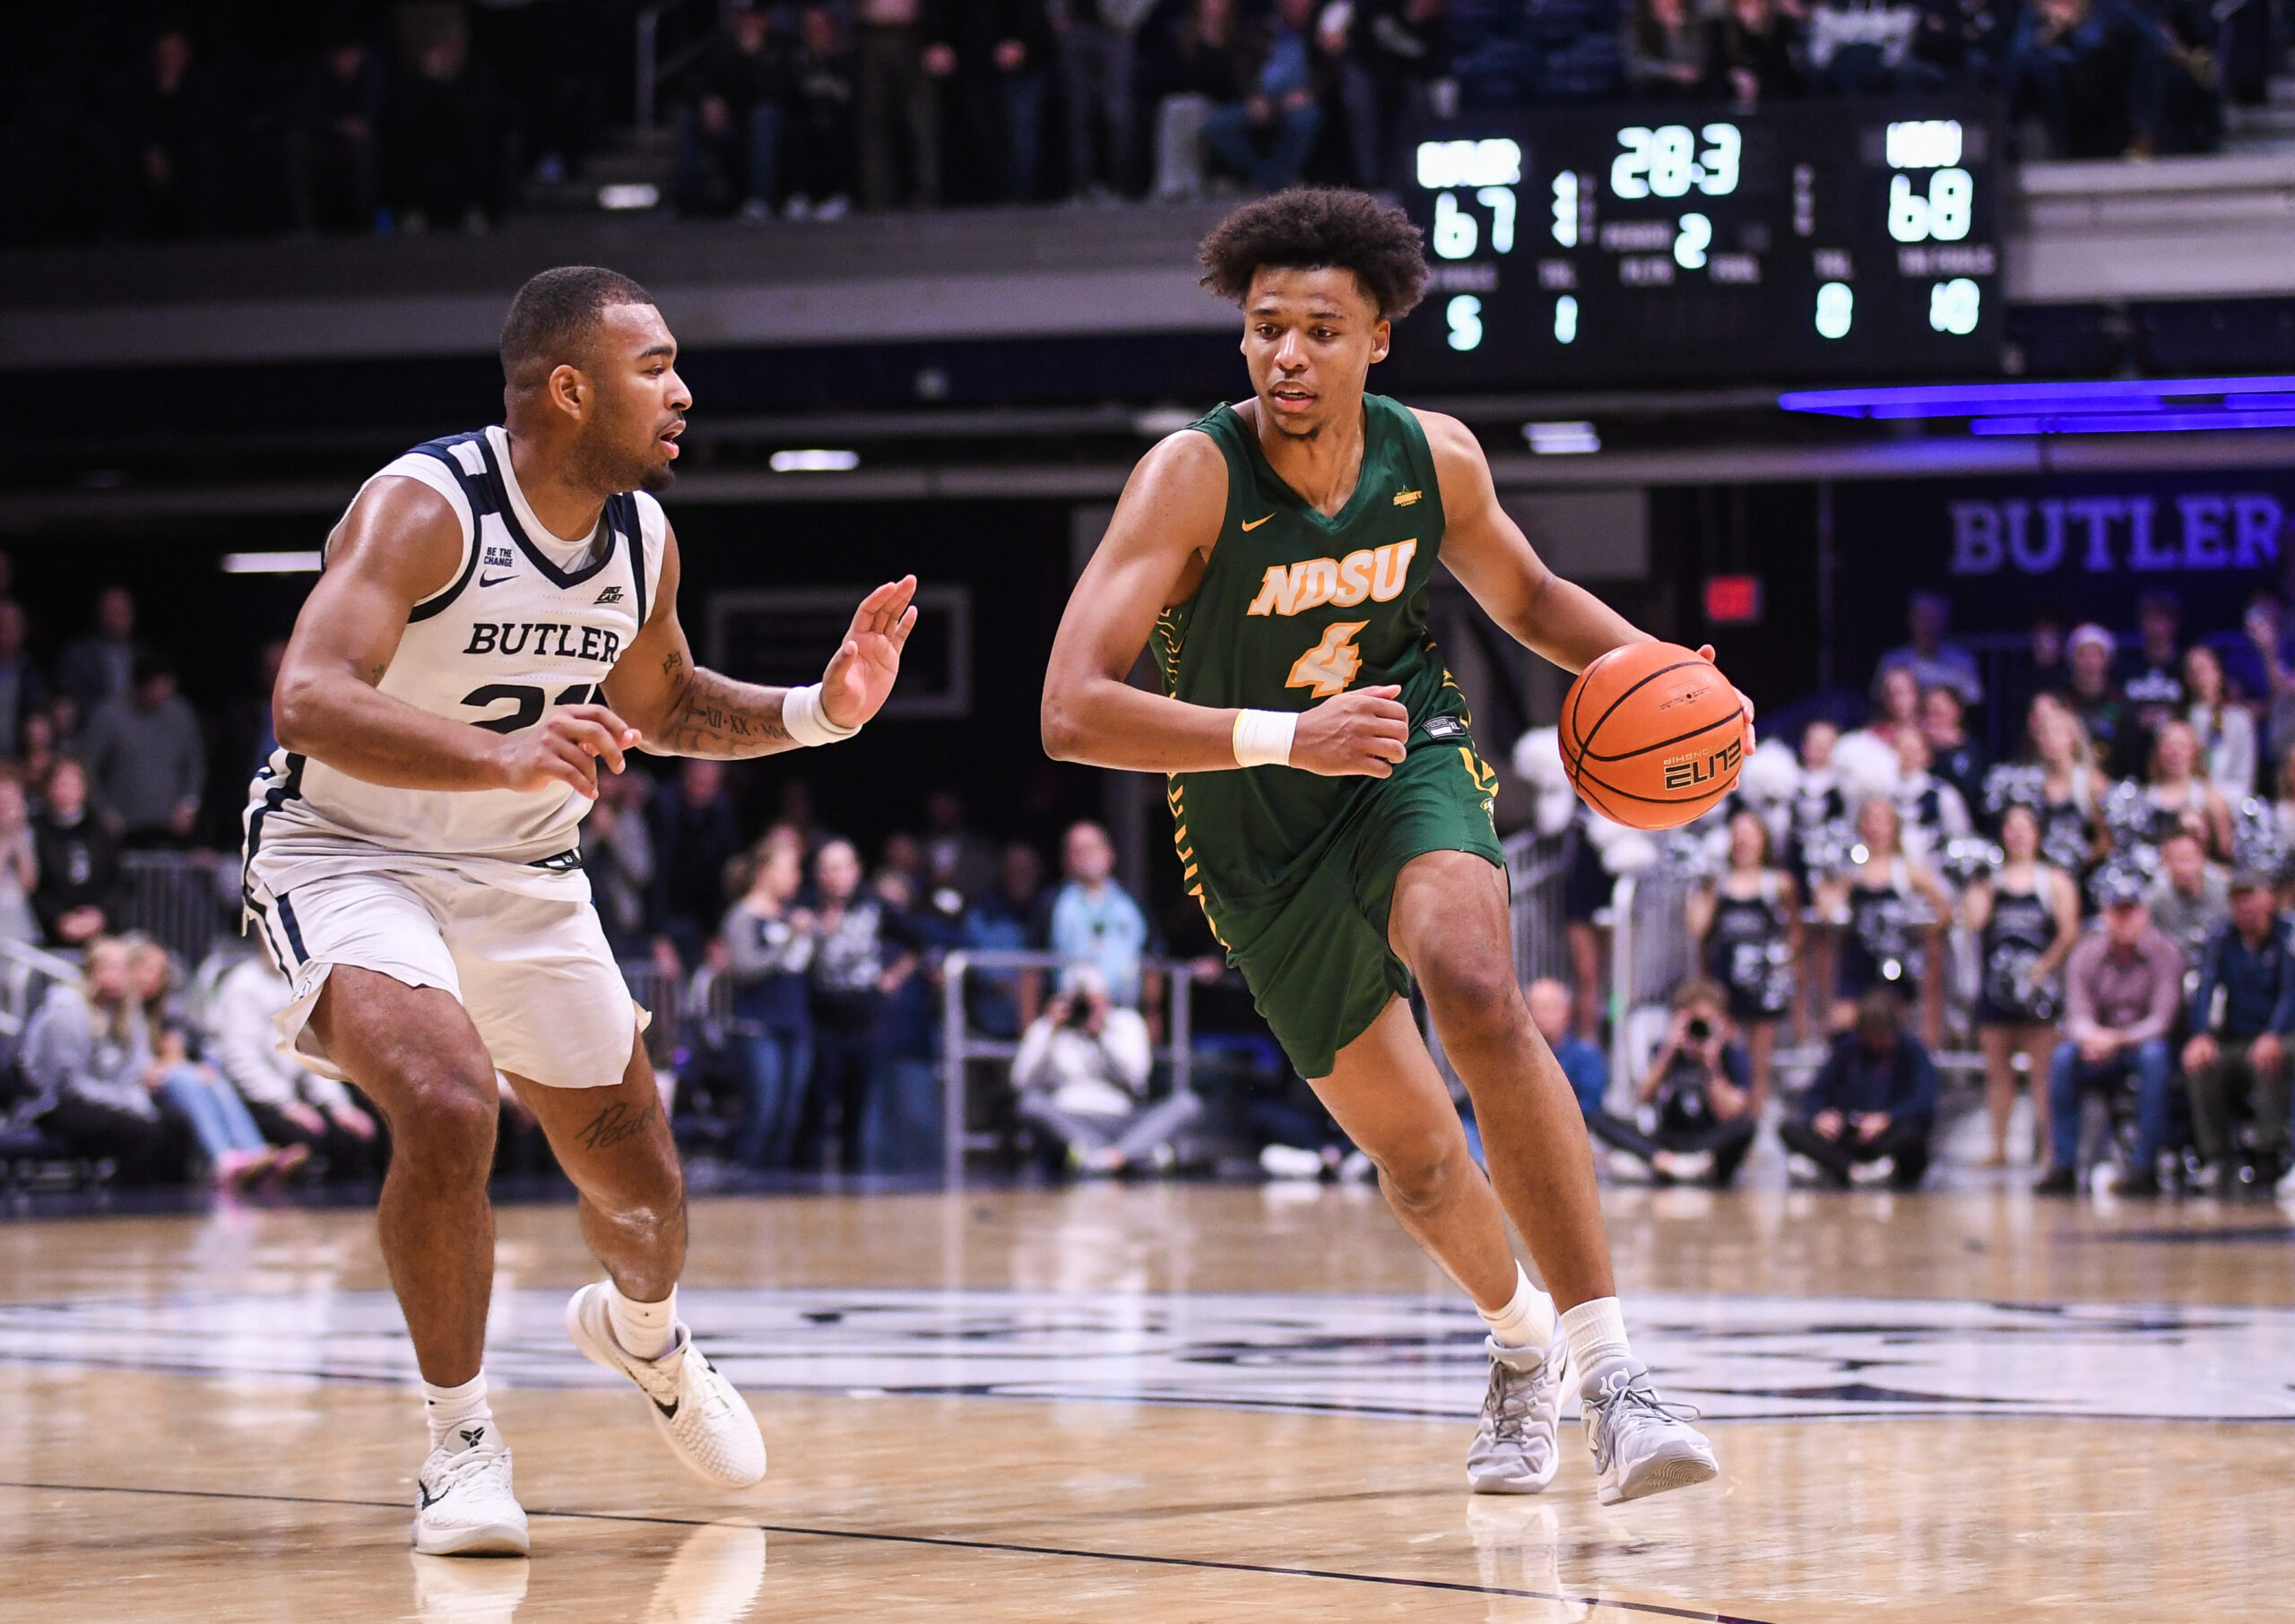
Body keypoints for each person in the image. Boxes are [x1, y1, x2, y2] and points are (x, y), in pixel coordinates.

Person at [1040, 190, 1720, 1505]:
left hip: (1403, 758)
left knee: (1475, 984)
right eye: (1264, 329)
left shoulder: (1434, 459)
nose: (1286, 355)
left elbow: (1524, 598)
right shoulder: (1191, 476)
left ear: (1380, 339)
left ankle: (1615, 1375)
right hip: (1253, 823)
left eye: (1319, 331)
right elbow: (1071, 710)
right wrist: (1283, 740)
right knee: (1413, 1159)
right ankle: (1518, 1345)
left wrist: (1653, 663)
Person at [249, 265, 920, 1554]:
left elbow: (661, 706)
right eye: (656, 365)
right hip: (346, 851)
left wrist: (821, 708)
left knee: (644, 1187)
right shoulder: (424, 507)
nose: (683, 390)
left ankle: (646, 1338)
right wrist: (497, 757)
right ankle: (460, 1445)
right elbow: (309, 698)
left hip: (525, 876)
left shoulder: (644, 538)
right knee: (447, 1106)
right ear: (570, 388)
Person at [2035, 873, 2182, 1196]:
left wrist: (2116, 1039)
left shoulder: (2165, 952)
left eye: (2131, 912)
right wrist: (2094, 1038)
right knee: (2062, 1059)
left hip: (2139, 1045)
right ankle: (2063, 1165)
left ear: (2144, 914)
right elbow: (2077, 1013)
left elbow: (2161, 1019)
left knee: (2155, 1057)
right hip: (2097, 1047)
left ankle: (2144, 1166)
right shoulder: (2086, 954)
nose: (2125, 920)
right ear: (2105, 915)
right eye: (2118, 912)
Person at [1962, 804, 2081, 1168]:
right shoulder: (1990, 882)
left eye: (2024, 828)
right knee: (1998, 1074)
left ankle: (2049, 1150)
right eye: (2010, 828)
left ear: (2038, 833)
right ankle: (1998, 1147)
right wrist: (1978, 884)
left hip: (2038, 992)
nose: (2017, 835)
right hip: (1996, 990)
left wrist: (2043, 969)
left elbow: (2069, 931)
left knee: (2044, 1077)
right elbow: (1973, 923)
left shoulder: (2054, 881)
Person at [127, 937, 295, 1188]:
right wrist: (162, 1067)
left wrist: (192, 1064)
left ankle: (256, 1154)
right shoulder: (121, 1010)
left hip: (166, 1080)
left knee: (211, 1074)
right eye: (148, 970)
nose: (156, 978)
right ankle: (224, 1160)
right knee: (184, 1076)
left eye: (161, 972)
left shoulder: (166, 1011)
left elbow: (187, 1048)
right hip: (135, 1088)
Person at [22, 938, 190, 1187]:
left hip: (115, 1098)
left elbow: (136, 1068)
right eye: (108, 967)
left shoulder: (129, 1008)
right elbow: (69, 1083)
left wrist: (135, 1101)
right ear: (92, 970)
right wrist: (127, 1103)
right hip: (58, 1104)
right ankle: (128, 1204)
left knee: (178, 1126)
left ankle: (172, 1212)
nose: (116, 976)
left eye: (122, 969)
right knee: (141, 1133)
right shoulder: (67, 1006)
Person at [208, 949, 385, 1182]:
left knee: (357, 1134)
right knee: (313, 1139)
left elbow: (313, 1053)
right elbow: (242, 1060)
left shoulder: (302, 982)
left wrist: (338, 1106)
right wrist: (287, 1105)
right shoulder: (243, 986)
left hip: (295, 1093)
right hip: (256, 1099)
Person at [802, 836, 918, 1173]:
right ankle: (805, 1182)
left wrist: (892, 978)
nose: (834, 876)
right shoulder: (806, 906)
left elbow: (918, 941)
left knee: (859, 1110)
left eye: (841, 868)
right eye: (827, 869)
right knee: (816, 1108)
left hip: (865, 1022)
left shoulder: (874, 906)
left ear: (856, 871)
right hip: (819, 1020)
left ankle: (854, 1179)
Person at [1013, 964, 1197, 1171]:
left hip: (1123, 1118)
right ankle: (1137, 1154)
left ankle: (1106, 1157)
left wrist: (1100, 1035)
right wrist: (1050, 1030)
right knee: (1030, 1104)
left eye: (1091, 1000)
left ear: (1106, 997)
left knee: (1186, 1104)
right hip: (1070, 1120)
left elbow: (1138, 1080)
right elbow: (1020, 1081)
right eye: (1079, 1001)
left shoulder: (1127, 1023)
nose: (1085, 1007)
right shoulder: (1048, 1027)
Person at [2181, 873, 2295, 1184]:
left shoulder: (2288, 936)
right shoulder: (2222, 938)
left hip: (2284, 1036)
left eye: (2250, 896)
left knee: (2275, 1058)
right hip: (2239, 1038)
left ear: (2269, 897)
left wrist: (2273, 1034)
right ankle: (2217, 1158)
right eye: (2237, 898)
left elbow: (2291, 992)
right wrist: (2201, 1034)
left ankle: (2270, 1153)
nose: (2244, 905)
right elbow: (2204, 987)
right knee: (2202, 1064)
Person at [1588, 981, 1759, 1188]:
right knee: (1597, 1117)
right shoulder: (1666, 1051)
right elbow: (1642, 1097)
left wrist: (1711, 1065)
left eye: (1706, 1022)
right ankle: (1666, 1161)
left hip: (1708, 1143)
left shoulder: (1731, 1054)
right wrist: (1669, 1050)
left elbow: (1730, 1113)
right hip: (1668, 1140)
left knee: (1747, 1125)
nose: (1699, 1029)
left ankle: (1677, 1163)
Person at [1816, 796, 1952, 1045]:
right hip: (1859, 963)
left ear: (1894, 827)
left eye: (1882, 821)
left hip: (1897, 967)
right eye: (1869, 821)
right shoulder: (1852, 874)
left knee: (1895, 1031)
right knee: (1841, 1026)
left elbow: (1944, 913)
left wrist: (1920, 935)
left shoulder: (1909, 872)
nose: (1875, 828)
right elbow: (1829, 910)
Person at [1686, 808, 1797, 1106]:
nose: (1743, 842)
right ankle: (1731, 1119)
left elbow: (1795, 931)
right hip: (1725, 980)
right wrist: (1702, 885)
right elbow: (1698, 928)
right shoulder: (1718, 883)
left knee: (1760, 1061)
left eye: (1750, 835)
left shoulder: (1779, 883)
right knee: (1728, 1056)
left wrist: (1785, 968)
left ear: (1763, 840)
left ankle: (1756, 1124)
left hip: (1764, 980)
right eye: (1738, 835)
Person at [1779, 989, 1941, 1189]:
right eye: (1870, 1035)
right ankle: (1852, 1169)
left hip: (1887, 1134)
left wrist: (1887, 1118)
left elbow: (1924, 1101)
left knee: (1913, 1135)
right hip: (1850, 1131)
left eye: (1881, 1035)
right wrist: (1821, 1116)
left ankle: (1836, 1164)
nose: (1875, 1042)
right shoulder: (1848, 1049)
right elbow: (1816, 1093)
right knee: (1789, 1128)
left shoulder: (1912, 1052)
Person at [720, 832, 816, 1170]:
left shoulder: (790, 916)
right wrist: (791, 938)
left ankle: (778, 1186)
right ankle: (748, 1180)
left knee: (789, 1117)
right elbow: (746, 967)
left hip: (795, 1024)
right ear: (765, 872)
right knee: (763, 1111)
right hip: (759, 1027)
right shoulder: (743, 916)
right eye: (790, 868)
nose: (797, 877)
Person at [675, 2, 791, 220]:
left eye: (752, 16)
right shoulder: (724, 46)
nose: (746, 23)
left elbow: (780, 92)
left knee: (764, 116)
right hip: (730, 124)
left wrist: (752, 58)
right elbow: (698, 80)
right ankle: (690, 202)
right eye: (742, 16)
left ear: (764, 19)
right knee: (686, 116)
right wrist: (708, 99)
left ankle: (760, 200)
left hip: (768, 125)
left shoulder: (780, 46)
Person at [79, 652, 206, 846]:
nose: (165, 693)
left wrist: (189, 804)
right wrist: (103, 811)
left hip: (171, 827)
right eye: (159, 687)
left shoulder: (180, 714)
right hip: (122, 827)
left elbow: (195, 765)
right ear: (140, 686)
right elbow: (87, 769)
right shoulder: (108, 716)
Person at [1203, 0, 1327, 193]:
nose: (1298, 6)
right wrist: (1253, 97)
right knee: (1218, 126)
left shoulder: (1320, 32)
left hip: (1298, 100)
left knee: (1306, 119)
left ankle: (1268, 182)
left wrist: (1310, 93)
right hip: (1261, 99)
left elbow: (1328, 71)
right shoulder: (1259, 28)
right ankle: (1271, 178)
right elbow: (1241, 68)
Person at [1043, 820, 1154, 1010]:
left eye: (1092, 848)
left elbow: (1153, 959)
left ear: (1110, 854)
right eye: (1078, 850)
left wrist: (1153, 1018)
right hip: (1065, 1013)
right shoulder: (1051, 903)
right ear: (1066, 860)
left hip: (1123, 1012)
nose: (1087, 856)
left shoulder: (1132, 903)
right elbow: (1032, 967)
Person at [855, 0, 949, 209]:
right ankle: (878, 194)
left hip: (914, 35)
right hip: (872, 35)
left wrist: (937, 36)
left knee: (923, 121)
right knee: (875, 123)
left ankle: (929, 191)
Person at [30, 756, 119, 948]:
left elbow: (117, 882)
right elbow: (34, 885)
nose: (67, 790)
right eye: (60, 783)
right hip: (50, 932)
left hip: (99, 930)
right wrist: (58, 919)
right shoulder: (35, 831)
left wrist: (101, 915)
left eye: (73, 783)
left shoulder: (101, 830)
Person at [2143, 718, 2233, 862]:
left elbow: (2226, 851)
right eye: (2169, 746)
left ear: (2194, 752)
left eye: (2182, 746)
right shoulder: (2147, 797)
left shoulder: (2210, 798)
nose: (2175, 753)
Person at [1875, 591, 1982, 709]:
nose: (1929, 626)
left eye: (1936, 619)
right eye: (1924, 618)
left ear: (1946, 622)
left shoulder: (1962, 661)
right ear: (1911, 620)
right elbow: (1878, 700)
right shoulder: (1893, 659)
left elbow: (1972, 702)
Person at [56, 585, 145, 720]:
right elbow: (69, 701)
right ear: (101, 614)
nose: (118, 618)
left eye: (123, 610)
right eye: (112, 611)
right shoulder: (79, 656)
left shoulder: (143, 656)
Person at [2183, 642, 2256, 801]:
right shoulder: (2183, 719)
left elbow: (2244, 776)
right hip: (2190, 794)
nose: (2197, 676)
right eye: (2191, 671)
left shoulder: (2239, 720)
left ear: (2218, 672)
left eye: (2203, 669)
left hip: (2231, 794)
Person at [1527, 976, 1606, 1119]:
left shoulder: (1585, 1056)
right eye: (1534, 1008)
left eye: (1547, 1008)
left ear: (1566, 1012)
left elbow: (1591, 1105)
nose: (1540, 1016)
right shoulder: (1519, 1059)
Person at [2065, 622, 2136, 778]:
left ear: (2108, 660)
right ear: (2072, 660)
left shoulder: (2122, 705)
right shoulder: (2061, 705)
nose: (2090, 662)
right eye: (2083, 655)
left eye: (2097, 655)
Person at [1705, 0, 1803, 105]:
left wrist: (1757, 30)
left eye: (1759, 3)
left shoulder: (1782, 26)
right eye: (1747, 3)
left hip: (1770, 93)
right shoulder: (1720, 29)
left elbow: (1783, 67)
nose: (1754, 8)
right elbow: (1715, 65)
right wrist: (1735, 75)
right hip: (1731, 90)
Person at [1920, 684, 1987, 820]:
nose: (1932, 720)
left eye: (1938, 713)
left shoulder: (1973, 749)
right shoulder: (1917, 748)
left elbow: (1974, 796)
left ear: (1958, 711)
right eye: (1928, 713)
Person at [1624, 0, 1711, 97]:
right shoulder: (1636, 26)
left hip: (1690, 95)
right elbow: (1637, 66)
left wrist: (1674, 32)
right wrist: (1671, 72)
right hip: (1647, 95)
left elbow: (1695, 66)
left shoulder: (1694, 23)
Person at [0, 600, 50, 760]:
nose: (5, 634)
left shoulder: (31, 675)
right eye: (1, 627)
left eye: (11, 627)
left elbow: (38, 718)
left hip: (18, 760)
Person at [0, 767, 39, 947]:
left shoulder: (28, 832)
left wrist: (17, 836)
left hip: (17, 921)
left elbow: (28, 883)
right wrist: (7, 837)